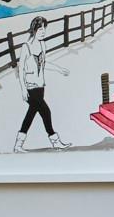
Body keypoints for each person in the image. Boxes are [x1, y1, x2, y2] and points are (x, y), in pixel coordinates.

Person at [14, 17, 71, 151]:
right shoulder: (26, 47)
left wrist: (59, 69)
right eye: (40, 29)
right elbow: (21, 70)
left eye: (45, 28)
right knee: (46, 112)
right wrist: (23, 89)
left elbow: (44, 64)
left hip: (40, 87)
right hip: (30, 87)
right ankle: (55, 141)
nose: (43, 31)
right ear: (34, 30)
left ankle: (18, 145)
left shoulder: (42, 45)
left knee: (31, 114)